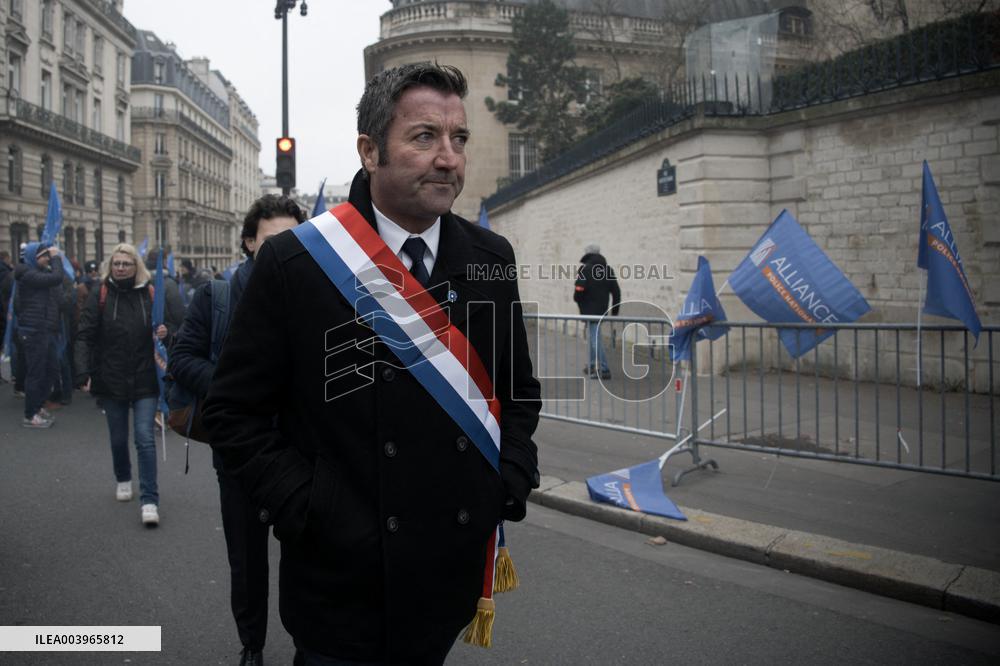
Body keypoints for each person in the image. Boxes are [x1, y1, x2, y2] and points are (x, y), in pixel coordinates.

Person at [203, 63, 541, 664]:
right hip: (341, 587)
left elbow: (517, 392)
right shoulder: (296, 263)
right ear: (369, 151)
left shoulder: (490, 257)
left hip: (448, 574)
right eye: (424, 137)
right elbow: (232, 414)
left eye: (459, 138)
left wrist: (505, 483)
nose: (449, 158)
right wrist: (309, 508)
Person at [169, 195, 305, 666]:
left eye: (292, 239)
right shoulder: (217, 296)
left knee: (306, 556)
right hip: (239, 452)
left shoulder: (315, 292)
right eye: (271, 240)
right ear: (249, 242)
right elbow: (182, 358)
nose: (282, 249)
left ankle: (308, 642)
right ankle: (252, 644)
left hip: (299, 450)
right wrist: (235, 387)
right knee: (246, 559)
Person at [75, 243, 182, 526]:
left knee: (145, 438)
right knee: (118, 437)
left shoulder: (150, 293)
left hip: (145, 377)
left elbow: (173, 329)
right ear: (110, 266)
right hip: (111, 377)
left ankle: (149, 500)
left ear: (136, 267)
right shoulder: (100, 293)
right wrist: (82, 371)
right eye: (116, 263)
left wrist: (166, 332)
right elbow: (85, 335)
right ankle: (123, 477)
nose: (120, 268)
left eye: (126, 263)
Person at [13, 243, 64, 427]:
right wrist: (56, 257)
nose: (47, 259)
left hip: (43, 328)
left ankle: (38, 405)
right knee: (36, 373)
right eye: (44, 256)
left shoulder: (36, 273)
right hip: (33, 330)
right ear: (33, 258)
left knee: (50, 370)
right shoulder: (28, 274)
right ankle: (30, 414)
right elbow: (57, 277)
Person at [574, 243, 621, 380]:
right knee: (592, 337)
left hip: (589, 311)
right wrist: (615, 311)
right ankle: (591, 365)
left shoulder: (585, 270)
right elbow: (616, 292)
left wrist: (578, 299)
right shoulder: (608, 270)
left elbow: (579, 289)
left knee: (595, 339)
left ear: (587, 254)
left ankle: (604, 369)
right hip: (602, 310)